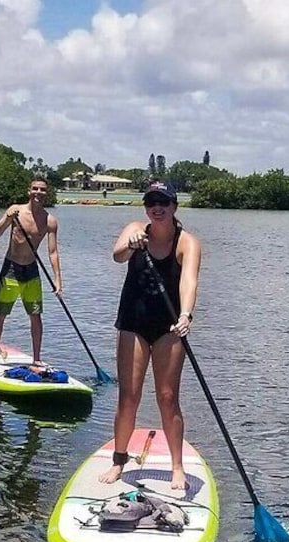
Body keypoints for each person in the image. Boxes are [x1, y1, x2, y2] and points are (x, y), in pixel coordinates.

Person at [99, 182, 201, 490]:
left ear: (174, 206)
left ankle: (178, 467)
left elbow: (189, 282)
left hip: (169, 326)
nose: (157, 207)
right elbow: (117, 256)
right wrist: (131, 244)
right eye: (151, 202)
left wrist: (186, 314)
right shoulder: (134, 229)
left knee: (168, 398)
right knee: (128, 396)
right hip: (133, 322)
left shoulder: (187, 243)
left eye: (163, 202)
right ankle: (119, 460)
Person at [0, 177, 62, 366]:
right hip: (11, 268)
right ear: (29, 191)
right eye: (35, 188)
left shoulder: (49, 220)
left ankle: (36, 358)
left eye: (42, 189)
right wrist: (7, 218)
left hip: (32, 271)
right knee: (0, 314)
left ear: (47, 193)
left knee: (35, 315)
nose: (38, 192)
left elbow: (52, 252)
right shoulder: (16, 211)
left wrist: (58, 279)